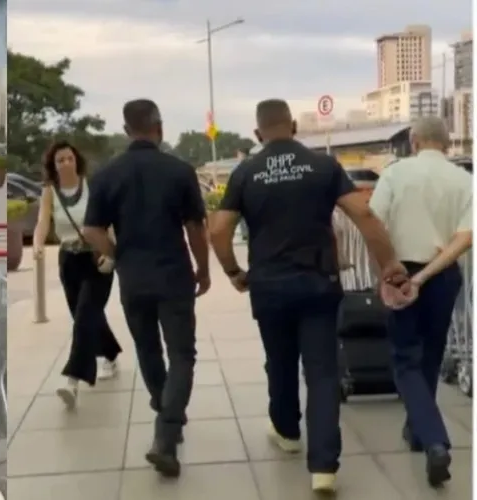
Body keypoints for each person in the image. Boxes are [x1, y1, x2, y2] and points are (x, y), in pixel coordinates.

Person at [208, 98, 408, 494]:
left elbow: (218, 230)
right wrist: (389, 264)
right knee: (322, 372)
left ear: (257, 133)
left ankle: (287, 432)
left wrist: (233, 271)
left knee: (279, 362)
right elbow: (364, 215)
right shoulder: (323, 166)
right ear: (294, 126)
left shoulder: (246, 171)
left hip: (268, 284)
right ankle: (323, 468)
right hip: (318, 282)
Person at [81, 99, 209, 478]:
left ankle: (165, 409)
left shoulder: (107, 175)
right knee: (182, 354)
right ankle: (166, 434)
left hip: (133, 277)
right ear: (160, 127)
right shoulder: (180, 171)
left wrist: (117, 254)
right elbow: (195, 228)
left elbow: (91, 231)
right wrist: (203, 268)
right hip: (174, 275)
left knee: (148, 349)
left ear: (126, 131)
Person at [367, 116, 471, 487]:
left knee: (405, 359)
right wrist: (427, 275)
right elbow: (465, 238)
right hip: (443, 276)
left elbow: (373, 224)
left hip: (400, 270)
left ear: (413, 141)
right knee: (431, 352)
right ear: (447, 143)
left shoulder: (395, 174)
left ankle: (435, 440)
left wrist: (387, 271)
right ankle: (416, 430)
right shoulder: (465, 180)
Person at [31, 140, 122, 409]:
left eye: (70, 158)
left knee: (85, 314)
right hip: (69, 260)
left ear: (77, 160)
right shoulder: (50, 191)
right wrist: (37, 245)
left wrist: (111, 254)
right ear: (53, 165)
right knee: (85, 316)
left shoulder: (92, 186)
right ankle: (111, 354)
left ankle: (73, 380)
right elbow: (42, 221)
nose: (66, 163)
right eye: (60, 160)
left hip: (96, 259)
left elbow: (108, 224)